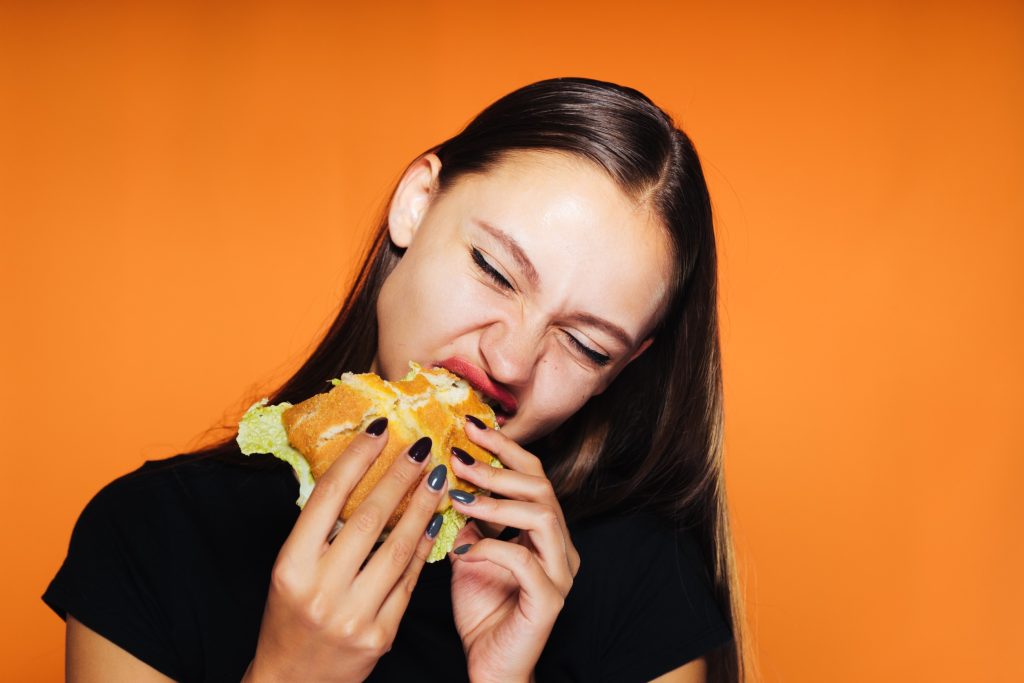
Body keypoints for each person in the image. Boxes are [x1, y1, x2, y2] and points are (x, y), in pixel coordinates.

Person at [44, 77, 747, 682]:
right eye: (495, 271)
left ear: (620, 370)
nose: (508, 361)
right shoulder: (150, 534)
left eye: (585, 345)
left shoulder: (649, 583)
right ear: (416, 202)